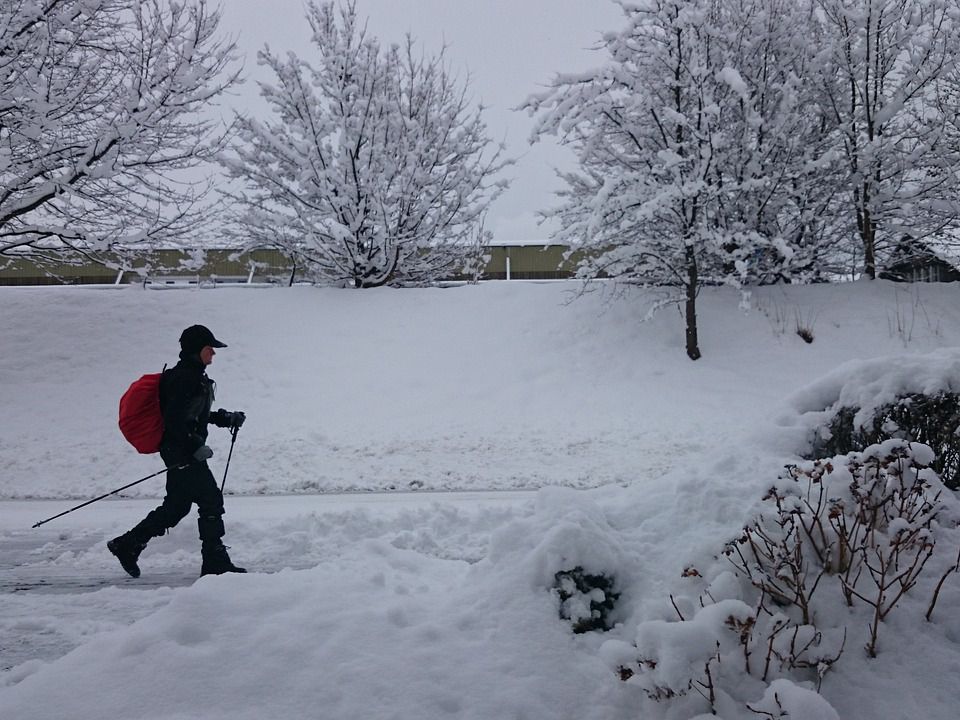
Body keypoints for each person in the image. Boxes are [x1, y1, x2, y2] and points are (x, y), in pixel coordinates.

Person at [108, 324, 247, 577]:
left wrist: (224, 418)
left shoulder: (191, 375)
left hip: (179, 449)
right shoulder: (185, 378)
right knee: (211, 500)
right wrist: (195, 446)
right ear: (199, 350)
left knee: (177, 506)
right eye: (210, 349)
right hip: (182, 451)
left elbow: (191, 415)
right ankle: (215, 562)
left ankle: (128, 544)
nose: (213, 355)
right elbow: (174, 420)